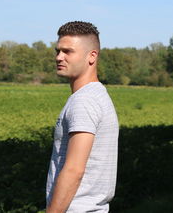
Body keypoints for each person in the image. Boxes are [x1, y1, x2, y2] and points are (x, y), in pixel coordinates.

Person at [46, 21, 119, 212]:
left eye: (68, 51)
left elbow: (74, 170)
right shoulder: (96, 95)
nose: (59, 57)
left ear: (91, 56)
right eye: (58, 51)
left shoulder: (84, 101)